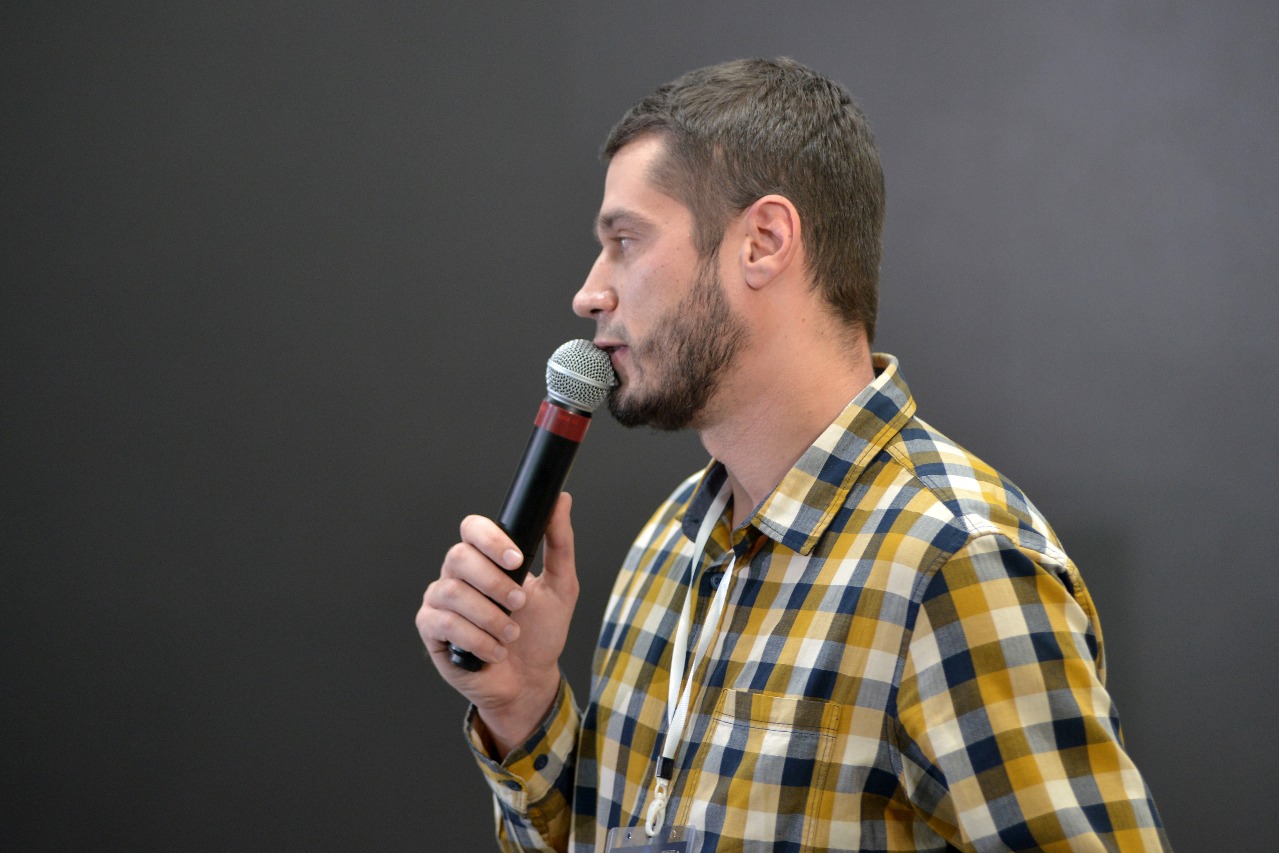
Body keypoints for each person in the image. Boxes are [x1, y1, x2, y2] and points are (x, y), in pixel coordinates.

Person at [416, 58, 1169, 852]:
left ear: (764, 242)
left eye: (625, 241)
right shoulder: (668, 543)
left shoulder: (956, 565)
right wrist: (522, 705)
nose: (589, 292)